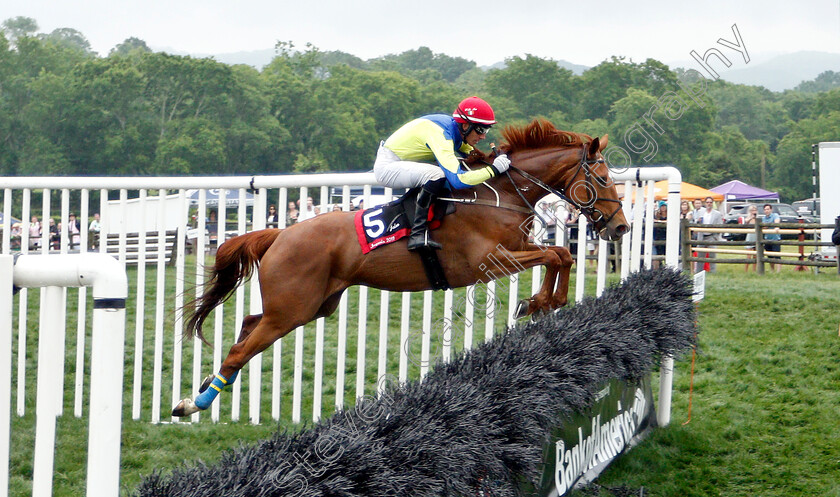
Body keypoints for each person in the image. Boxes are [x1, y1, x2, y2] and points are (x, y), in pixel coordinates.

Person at [373, 96, 510, 251]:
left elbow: (470, 155)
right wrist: (493, 170)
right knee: (437, 174)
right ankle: (418, 233)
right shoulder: (441, 135)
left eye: (486, 130)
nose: (483, 136)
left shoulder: (454, 130)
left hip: (402, 162)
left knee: (443, 173)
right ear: (465, 126)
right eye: (480, 130)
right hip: (388, 167)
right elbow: (459, 180)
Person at [697, 197, 723, 273]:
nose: (709, 204)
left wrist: (716, 236)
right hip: (702, 236)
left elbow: (720, 225)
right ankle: (699, 272)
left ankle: (713, 272)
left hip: (711, 236)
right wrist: (698, 221)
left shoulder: (717, 214)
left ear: (712, 203)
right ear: (705, 203)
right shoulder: (701, 212)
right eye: (707, 202)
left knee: (712, 255)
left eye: (710, 202)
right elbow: (696, 223)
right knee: (700, 255)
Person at [762, 203, 782, 273]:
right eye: (765, 210)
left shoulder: (775, 215)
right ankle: (772, 270)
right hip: (767, 238)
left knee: (777, 255)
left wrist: (775, 226)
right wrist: (770, 225)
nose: (766, 211)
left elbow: (776, 222)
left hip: (775, 238)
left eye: (768, 209)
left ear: (771, 210)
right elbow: (764, 226)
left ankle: (778, 271)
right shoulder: (763, 218)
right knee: (770, 256)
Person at [743, 204, 758, 272]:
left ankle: (754, 271)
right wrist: (751, 217)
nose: (754, 212)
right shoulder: (748, 218)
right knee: (748, 256)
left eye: (755, 210)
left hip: (756, 237)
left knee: (755, 256)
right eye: (752, 210)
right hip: (750, 237)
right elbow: (746, 222)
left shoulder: (758, 218)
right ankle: (746, 270)